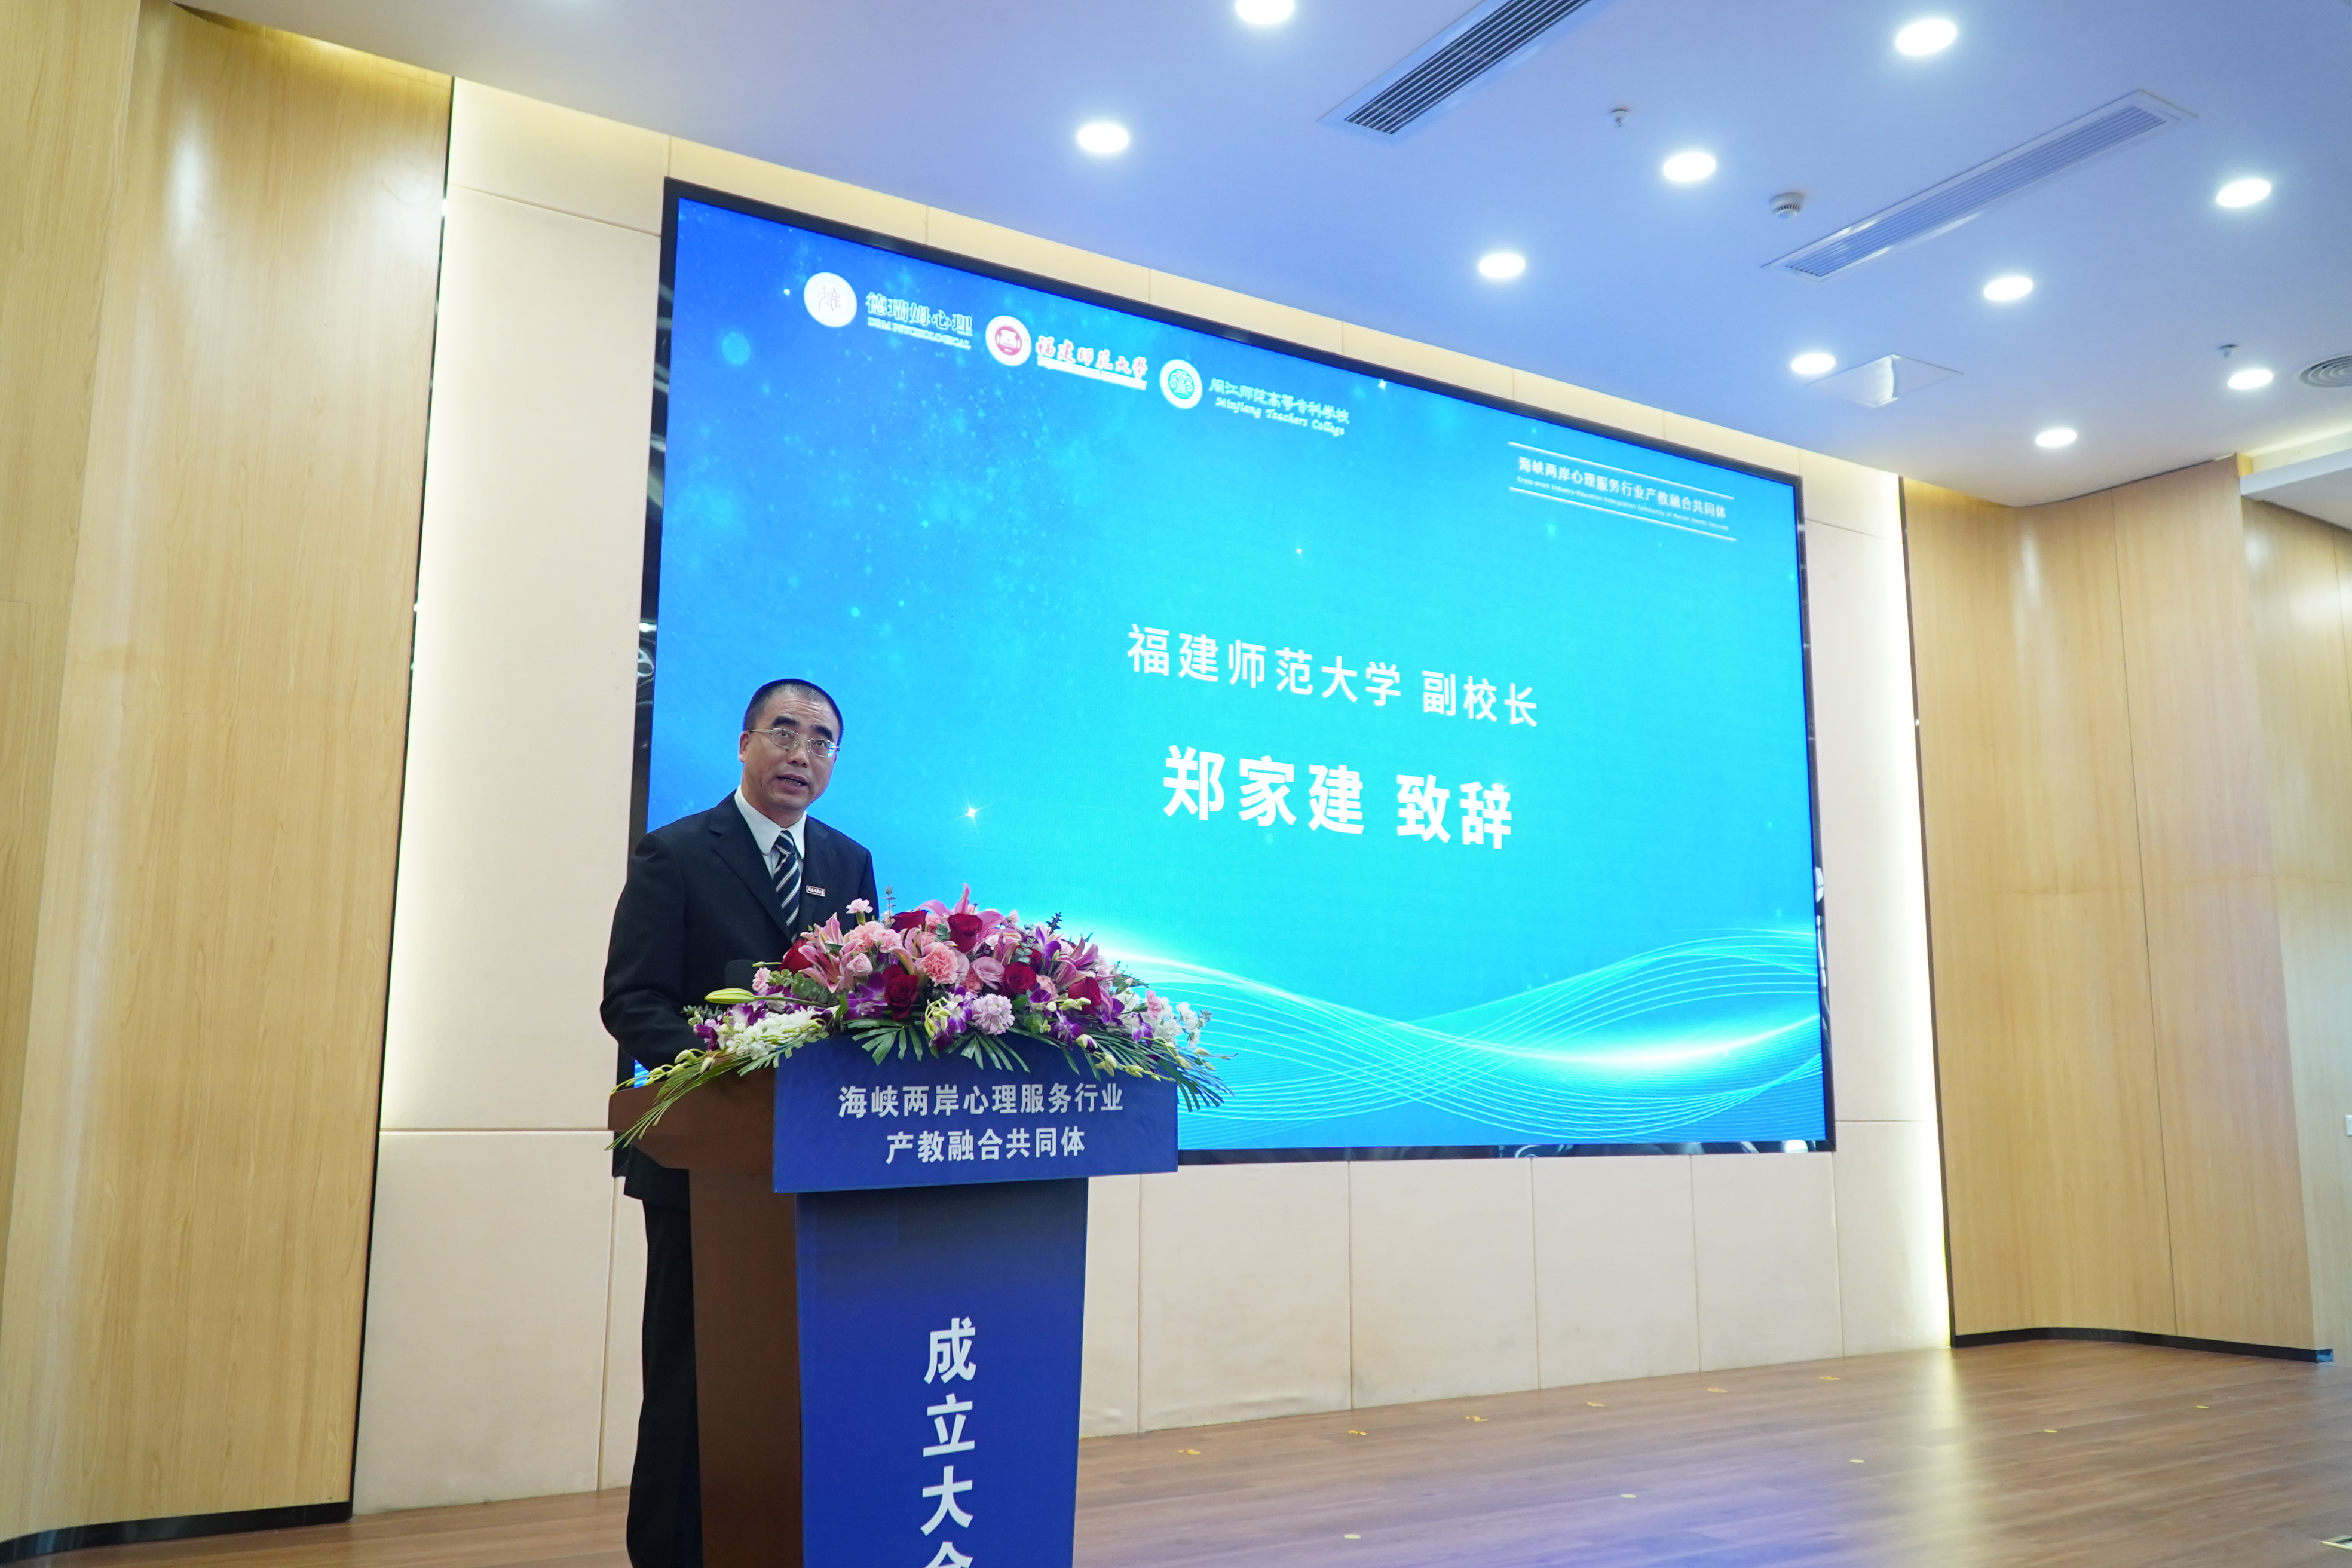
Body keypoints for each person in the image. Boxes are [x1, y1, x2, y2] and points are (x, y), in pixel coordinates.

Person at [601, 678, 877, 1568]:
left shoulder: (848, 863)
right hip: (705, 1165)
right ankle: (670, 1553)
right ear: (745, 743)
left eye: (822, 742)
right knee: (692, 1374)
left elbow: (862, 1003)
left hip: (813, 1166)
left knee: (793, 1376)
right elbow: (632, 1001)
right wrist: (726, 1065)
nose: (802, 754)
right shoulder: (678, 853)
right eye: (784, 733)